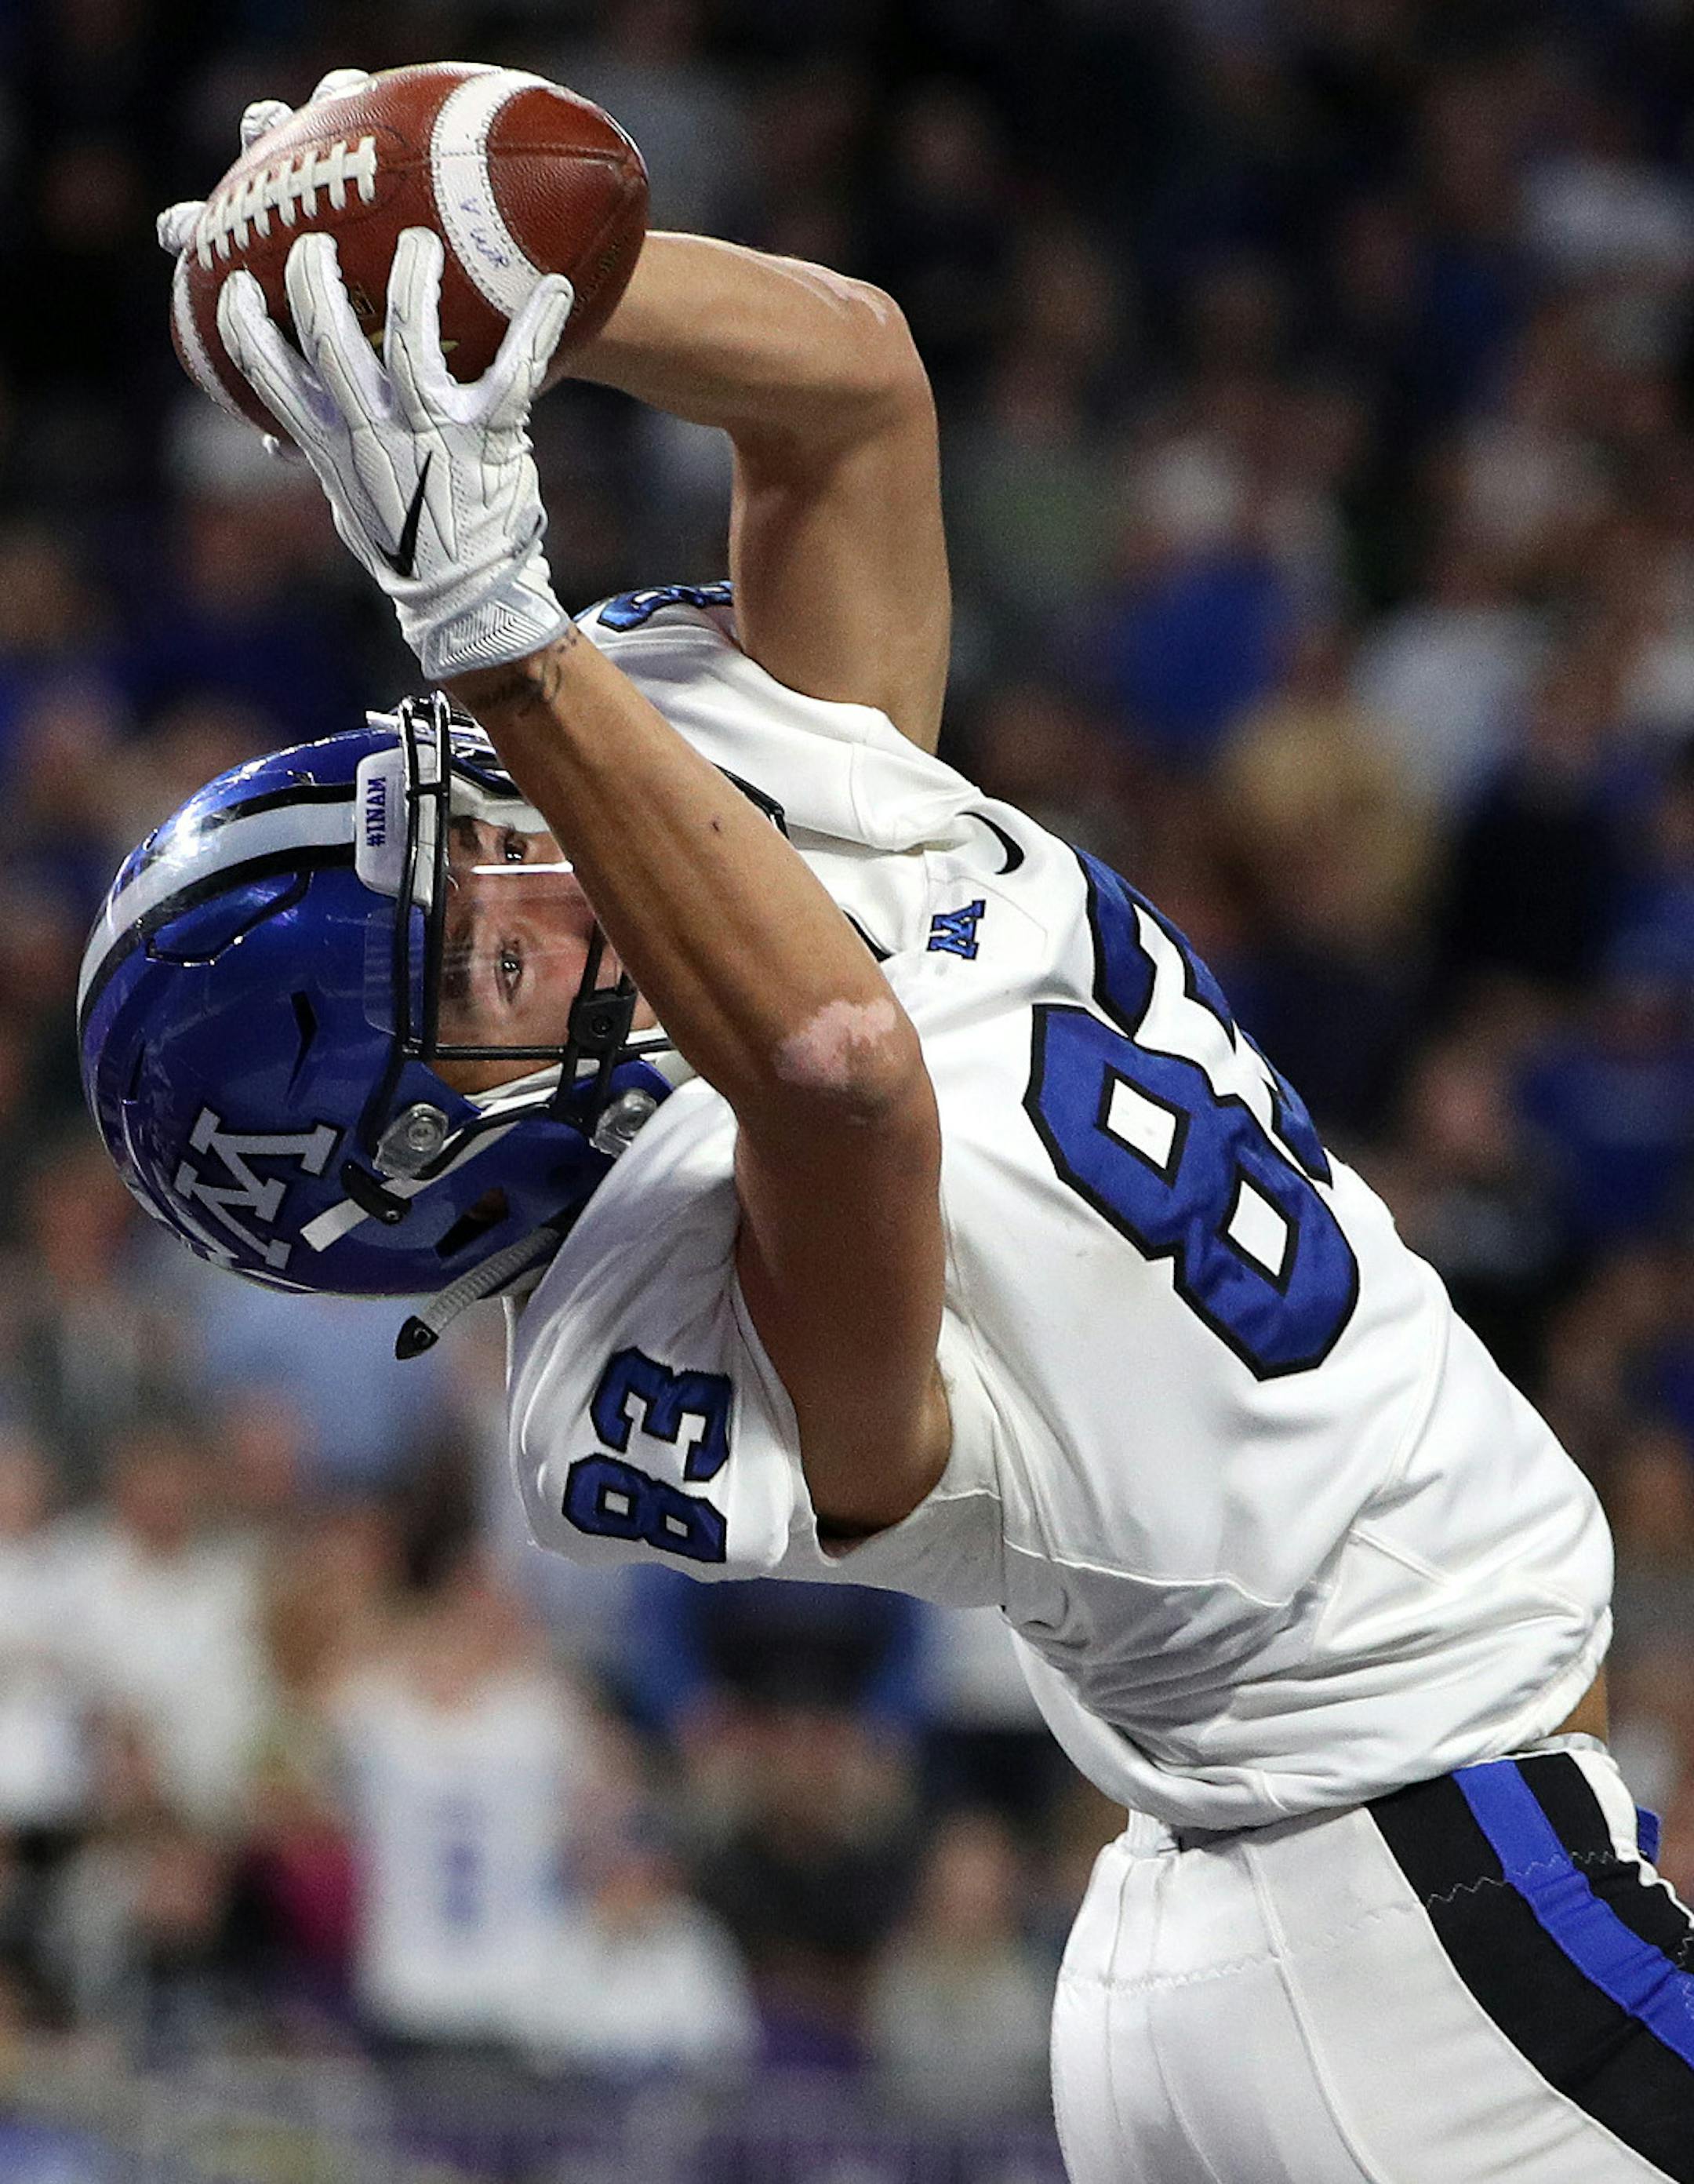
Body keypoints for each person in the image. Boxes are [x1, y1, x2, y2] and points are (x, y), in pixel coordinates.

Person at [80, 71, 1692, 2182]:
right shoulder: (620, 1337)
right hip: (1399, 1928)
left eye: (463, 826)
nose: (534, 869)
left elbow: (855, 390)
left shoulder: (692, 775)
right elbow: (839, 1077)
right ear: (418, 1170)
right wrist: (494, 620)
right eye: (472, 963)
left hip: (1301, 1898)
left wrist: (507, 280)